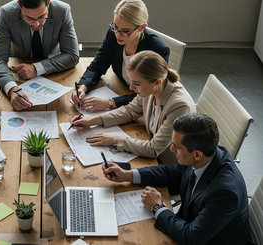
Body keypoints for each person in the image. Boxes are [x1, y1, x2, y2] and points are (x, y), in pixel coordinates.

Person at [102, 113, 250, 244]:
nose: (171, 150)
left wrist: (157, 207)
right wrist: (127, 175)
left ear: (197, 154)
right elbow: (170, 173)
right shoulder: (204, 154)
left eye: (176, 147)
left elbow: (191, 238)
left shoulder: (224, 193)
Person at [71, 51, 195, 164]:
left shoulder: (179, 106)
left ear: (157, 82)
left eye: (136, 83)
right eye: (131, 81)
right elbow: (130, 111)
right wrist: (91, 121)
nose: (131, 87)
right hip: (146, 145)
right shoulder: (152, 88)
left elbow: (153, 149)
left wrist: (115, 139)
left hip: (167, 163)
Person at [72, 0, 169, 111]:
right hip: (121, 88)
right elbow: (98, 65)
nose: (118, 34)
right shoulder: (112, 34)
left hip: (141, 106)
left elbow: (150, 94)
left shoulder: (158, 49)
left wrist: (110, 103)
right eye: (115, 26)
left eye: (125, 31)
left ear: (142, 27)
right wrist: (83, 86)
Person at [0, 0, 79, 110]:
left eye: (42, 17)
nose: (36, 24)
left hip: (53, 67)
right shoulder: (7, 13)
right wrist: (12, 88)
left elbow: (72, 55)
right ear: (19, 5)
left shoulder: (62, 10)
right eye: (29, 18)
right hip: (18, 68)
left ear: (49, 3)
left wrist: (36, 68)